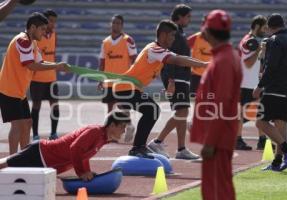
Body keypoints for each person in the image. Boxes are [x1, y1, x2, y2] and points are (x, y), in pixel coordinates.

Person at [110, 19, 208, 158]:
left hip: (130, 89)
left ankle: (138, 145)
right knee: (152, 110)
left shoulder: (160, 51)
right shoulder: (154, 49)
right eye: (172, 35)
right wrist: (204, 65)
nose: (174, 38)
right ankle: (138, 147)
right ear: (163, 35)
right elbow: (177, 61)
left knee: (152, 110)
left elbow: (179, 57)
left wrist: (203, 64)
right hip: (124, 88)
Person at [0, 12, 69, 155]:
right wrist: (56, 66)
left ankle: (23, 157)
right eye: (42, 29)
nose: (45, 32)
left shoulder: (32, 42)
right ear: (32, 27)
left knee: (27, 123)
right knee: (17, 125)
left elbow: (40, 62)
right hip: (8, 90)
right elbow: (31, 65)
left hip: (19, 92)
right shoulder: (22, 41)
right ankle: (12, 160)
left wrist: (58, 65)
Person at [190, 10, 242, 200]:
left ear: (210, 31)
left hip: (218, 139)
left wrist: (210, 141)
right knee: (217, 188)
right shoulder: (226, 57)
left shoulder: (223, 60)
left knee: (217, 191)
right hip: (220, 134)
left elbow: (220, 104)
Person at [0, 110, 131, 181]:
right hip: (40, 153)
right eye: (122, 127)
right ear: (112, 125)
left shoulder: (103, 138)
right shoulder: (95, 131)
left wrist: (86, 171)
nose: (124, 131)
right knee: (4, 165)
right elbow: (75, 148)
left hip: (45, 164)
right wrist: (81, 173)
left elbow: (83, 156)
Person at [147, 4, 199, 160]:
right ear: (180, 17)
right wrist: (170, 80)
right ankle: (157, 141)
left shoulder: (179, 33)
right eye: (188, 16)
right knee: (182, 111)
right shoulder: (173, 33)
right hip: (176, 77)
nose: (190, 19)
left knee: (182, 112)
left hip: (181, 77)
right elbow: (168, 57)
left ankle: (181, 149)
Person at [253, 13, 287, 171]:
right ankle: (277, 162)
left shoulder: (275, 40)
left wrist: (260, 86)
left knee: (260, 122)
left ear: (269, 26)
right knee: (280, 124)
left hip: (275, 87)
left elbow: (272, 67)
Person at [98, 14, 137, 143]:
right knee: (110, 108)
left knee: (124, 107)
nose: (116, 25)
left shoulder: (128, 40)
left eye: (119, 23)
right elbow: (102, 62)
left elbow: (134, 60)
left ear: (122, 25)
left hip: (123, 81)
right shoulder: (105, 42)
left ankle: (129, 126)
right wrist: (100, 79)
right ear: (111, 24)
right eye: (114, 23)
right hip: (109, 81)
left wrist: (134, 77)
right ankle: (110, 135)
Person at [237, 15, 268, 150]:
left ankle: (262, 140)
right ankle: (236, 139)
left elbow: (255, 64)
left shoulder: (254, 41)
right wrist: (259, 50)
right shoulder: (248, 41)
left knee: (260, 112)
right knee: (241, 113)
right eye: (264, 27)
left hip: (254, 83)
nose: (265, 30)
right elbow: (248, 63)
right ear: (257, 26)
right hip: (245, 84)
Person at [30, 9, 60, 141]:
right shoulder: (36, 37)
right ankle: (35, 134)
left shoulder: (54, 35)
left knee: (55, 105)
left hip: (51, 78)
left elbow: (53, 53)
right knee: (36, 105)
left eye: (54, 21)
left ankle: (54, 133)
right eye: (50, 21)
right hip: (37, 78)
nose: (53, 24)